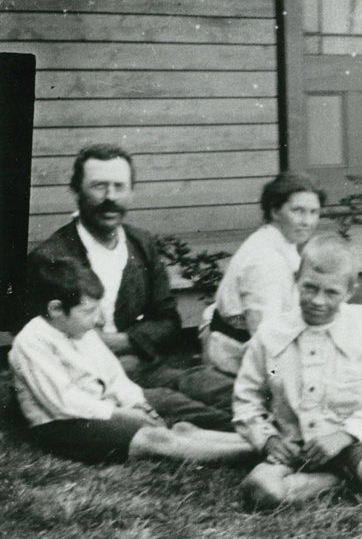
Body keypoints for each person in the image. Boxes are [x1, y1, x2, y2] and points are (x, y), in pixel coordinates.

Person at [27, 144, 234, 411]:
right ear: (76, 191)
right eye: (99, 186)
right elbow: (39, 339)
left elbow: (168, 320)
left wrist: (126, 342)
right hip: (87, 380)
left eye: (119, 186)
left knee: (226, 391)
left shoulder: (142, 244)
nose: (110, 197)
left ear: (131, 191)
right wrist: (103, 352)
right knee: (188, 410)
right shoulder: (51, 257)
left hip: (143, 366)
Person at [9, 257, 253, 464]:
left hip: (105, 406)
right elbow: (64, 403)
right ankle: (256, 451)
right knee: (155, 438)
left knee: (178, 417)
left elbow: (114, 377)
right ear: (56, 310)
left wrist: (136, 403)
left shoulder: (82, 332)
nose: (97, 320)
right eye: (88, 312)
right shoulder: (31, 342)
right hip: (63, 425)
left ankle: (258, 437)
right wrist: (121, 415)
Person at [234, 235, 362, 508]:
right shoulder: (270, 335)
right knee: (260, 490)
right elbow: (246, 399)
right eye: (309, 288)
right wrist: (267, 439)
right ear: (296, 279)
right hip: (293, 444)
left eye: (331, 293)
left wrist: (343, 436)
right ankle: (336, 479)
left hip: (349, 442)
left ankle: (354, 467)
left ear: (350, 291)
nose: (318, 300)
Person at [205, 171, 326, 374]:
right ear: (275, 211)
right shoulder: (265, 261)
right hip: (238, 362)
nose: (308, 221)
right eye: (298, 211)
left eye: (314, 212)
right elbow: (266, 340)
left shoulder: (280, 243)